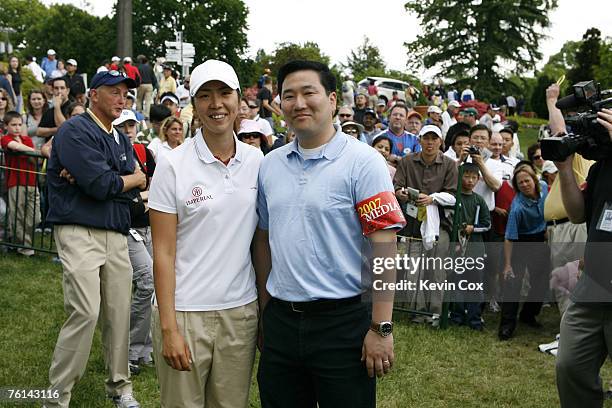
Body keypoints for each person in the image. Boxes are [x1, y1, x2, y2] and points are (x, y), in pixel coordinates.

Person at [254, 60, 405, 407]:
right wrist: (265, 311)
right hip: (281, 321)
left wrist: (381, 327)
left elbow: (384, 247)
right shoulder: (270, 165)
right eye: (288, 95)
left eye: (309, 92)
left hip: (343, 324)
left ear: (333, 99)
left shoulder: (363, 163)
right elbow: (263, 239)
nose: (299, 103)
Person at [148, 59, 261, 407]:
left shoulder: (258, 162)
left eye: (225, 93)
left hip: (240, 312)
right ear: (193, 105)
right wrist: (169, 328)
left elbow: (261, 242)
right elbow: (162, 253)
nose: (216, 104)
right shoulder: (172, 165)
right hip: (184, 312)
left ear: (239, 99)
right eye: (205, 95)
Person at [44, 70, 142, 407]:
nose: (120, 99)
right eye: (113, 91)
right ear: (93, 94)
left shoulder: (123, 139)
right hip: (79, 228)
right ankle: (55, 399)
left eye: (125, 94)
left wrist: (115, 180)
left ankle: (120, 389)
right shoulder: (74, 129)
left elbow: (121, 188)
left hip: (116, 232)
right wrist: (126, 179)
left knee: (118, 313)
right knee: (85, 312)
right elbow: (105, 185)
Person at [553, 104, 612, 407]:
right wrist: (564, 169)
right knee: (570, 366)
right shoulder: (601, 166)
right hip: (593, 288)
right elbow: (577, 214)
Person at [393, 125, 458, 323]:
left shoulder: (449, 164)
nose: (430, 142)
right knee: (414, 269)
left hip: (440, 224)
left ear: (440, 142)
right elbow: (396, 187)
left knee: (437, 269)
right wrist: (402, 194)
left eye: (434, 138)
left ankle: (436, 312)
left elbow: (453, 195)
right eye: (426, 138)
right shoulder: (406, 161)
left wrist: (432, 199)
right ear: (419, 140)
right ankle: (418, 311)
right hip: (412, 222)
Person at [113, 109, 156, 376]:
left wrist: (143, 196)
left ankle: (144, 349)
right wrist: (142, 198)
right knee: (148, 280)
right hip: (125, 228)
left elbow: (158, 187)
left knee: (155, 286)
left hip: (149, 227)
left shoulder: (144, 152)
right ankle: (129, 350)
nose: (128, 130)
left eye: (131, 125)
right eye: (123, 125)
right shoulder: (110, 154)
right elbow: (120, 198)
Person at [498, 164, 550, 340]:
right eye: (520, 183)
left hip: (540, 239)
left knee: (542, 280)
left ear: (534, 180)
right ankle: (507, 326)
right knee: (513, 282)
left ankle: (528, 315)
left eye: (527, 180)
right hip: (520, 241)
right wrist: (507, 265)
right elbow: (509, 237)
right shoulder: (517, 207)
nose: (525, 185)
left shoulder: (544, 187)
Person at [449, 162, 490, 330]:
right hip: (457, 247)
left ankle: (474, 318)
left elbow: (487, 224)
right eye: (466, 176)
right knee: (457, 282)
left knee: (475, 283)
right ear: (459, 177)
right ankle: (457, 316)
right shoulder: (453, 198)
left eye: (474, 177)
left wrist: (474, 228)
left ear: (478, 179)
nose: (470, 180)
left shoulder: (479, 200)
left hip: (475, 247)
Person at [0, 111, 39, 256]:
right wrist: (34, 151)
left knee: (35, 217)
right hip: (15, 183)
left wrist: (32, 153)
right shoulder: (5, 139)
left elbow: (34, 160)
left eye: (19, 124)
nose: (17, 128)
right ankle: (25, 249)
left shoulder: (27, 140)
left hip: (31, 182)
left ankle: (19, 241)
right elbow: (14, 147)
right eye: (13, 125)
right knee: (18, 216)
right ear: (6, 126)